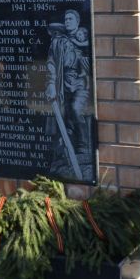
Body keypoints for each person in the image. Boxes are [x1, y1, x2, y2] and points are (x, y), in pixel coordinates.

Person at [45, 9, 94, 181]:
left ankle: (83, 147)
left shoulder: (85, 41)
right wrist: (51, 84)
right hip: (62, 84)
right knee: (65, 117)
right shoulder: (58, 42)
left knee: (75, 110)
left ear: (77, 21)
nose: (67, 21)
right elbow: (51, 64)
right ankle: (67, 151)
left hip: (81, 82)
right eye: (65, 18)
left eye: (71, 18)